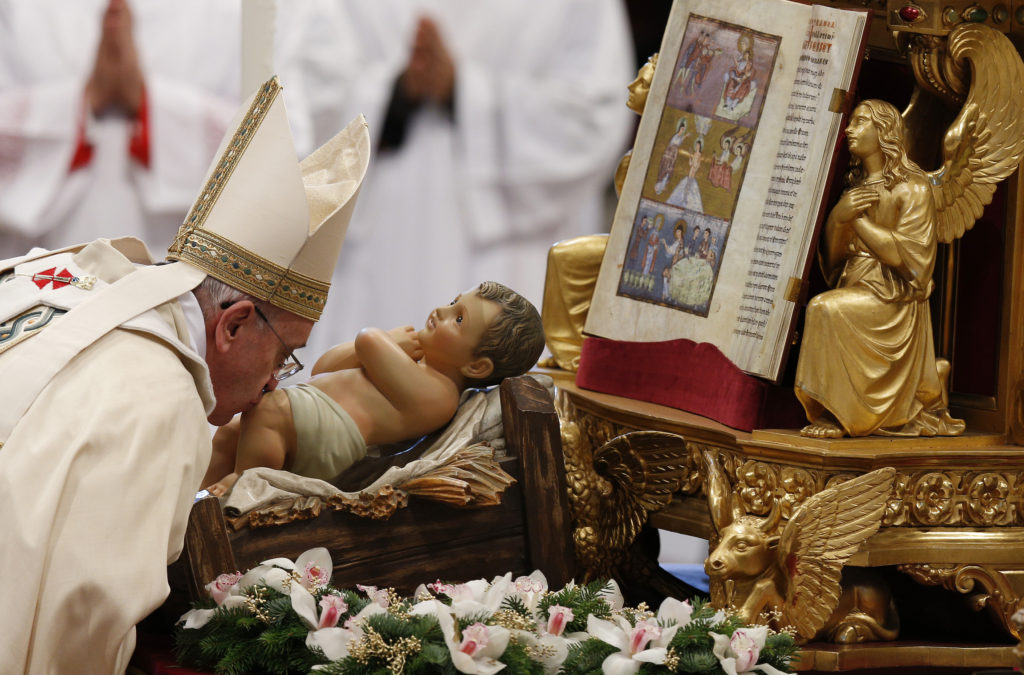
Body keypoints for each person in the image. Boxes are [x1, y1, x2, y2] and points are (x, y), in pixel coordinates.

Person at [0, 76, 370, 672]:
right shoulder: (161, 401)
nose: (274, 385)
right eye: (282, 355)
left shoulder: (66, 276)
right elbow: (87, 611)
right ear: (233, 324)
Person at [297, 0, 635, 368]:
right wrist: (393, 93)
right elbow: (298, 86)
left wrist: (463, 90)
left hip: (506, 252)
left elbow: (594, 117)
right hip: (375, 238)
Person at [0, 0, 348, 258]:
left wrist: (150, 106)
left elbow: (287, 147)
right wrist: (84, 103)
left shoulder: (250, 10)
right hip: (39, 265)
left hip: (185, 270)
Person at [203, 281, 545, 495]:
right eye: (453, 302)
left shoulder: (438, 395)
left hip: (330, 439)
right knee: (232, 431)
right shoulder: (415, 364)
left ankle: (249, 483)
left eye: (458, 319)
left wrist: (389, 339)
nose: (441, 311)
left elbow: (367, 340)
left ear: (476, 367)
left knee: (266, 410)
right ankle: (196, 497)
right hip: (310, 416)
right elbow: (325, 366)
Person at [794, 99, 964, 438]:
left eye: (860, 122)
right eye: (851, 123)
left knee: (822, 309)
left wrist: (856, 222)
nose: (850, 129)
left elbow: (913, 263)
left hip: (895, 300)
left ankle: (842, 414)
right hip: (857, 284)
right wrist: (838, 218)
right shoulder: (855, 187)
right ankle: (841, 410)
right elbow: (832, 261)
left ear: (884, 130)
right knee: (824, 306)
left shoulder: (913, 188)